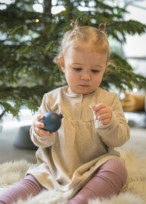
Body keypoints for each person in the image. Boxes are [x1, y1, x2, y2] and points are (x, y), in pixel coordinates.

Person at [0, 22, 130, 204]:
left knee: (118, 167)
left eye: (95, 70)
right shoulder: (51, 99)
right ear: (62, 64)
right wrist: (40, 132)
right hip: (52, 170)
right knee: (29, 182)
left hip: (93, 169)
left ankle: (81, 199)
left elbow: (119, 139)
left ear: (105, 68)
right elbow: (39, 141)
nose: (86, 76)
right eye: (77, 69)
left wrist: (109, 124)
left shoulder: (109, 100)